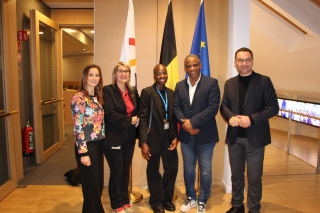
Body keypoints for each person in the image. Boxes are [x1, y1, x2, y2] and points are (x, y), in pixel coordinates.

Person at [220, 47, 279, 213]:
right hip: (234, 139)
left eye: (247, 60)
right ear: (235, 63)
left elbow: (274, 108)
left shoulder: (264, 81)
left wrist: (251, 119)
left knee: (254, 178)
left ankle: (254, 208)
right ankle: (237, 205)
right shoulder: (230, 83)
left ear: (252, 61)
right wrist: (230, 117)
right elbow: (223, 106)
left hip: (256, 139)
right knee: (236, 176)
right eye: (240, 60)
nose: (244, 64)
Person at [174, 54, 220, 213]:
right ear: (185, 68)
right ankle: (191, 198)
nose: (192, 68)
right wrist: (186, 125)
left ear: (200, 65)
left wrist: (192, 122)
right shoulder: (179, 86)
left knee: (206, 169)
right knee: (188, 168)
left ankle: (203, 199)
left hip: (206, 135)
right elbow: (176, 108)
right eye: (188, 65)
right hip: (186, 136)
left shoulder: (212, 83)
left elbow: (213, 107)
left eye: (195, 65)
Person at [139, 64, 178, 213]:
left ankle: (167, 199)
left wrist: (175, 137)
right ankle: (156, 201)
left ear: (167, 74)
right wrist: (143, 142)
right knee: (153, 170)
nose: (162, 76)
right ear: (154, 75)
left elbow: (173, 118)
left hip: (168, 138)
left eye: (164, 73)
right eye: (159, 73)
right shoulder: (147, 92)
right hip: (153, 139)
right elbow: (143, 118)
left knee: (172, 168)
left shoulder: (171, 92)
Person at [102, 62, 139, 213]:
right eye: (120, 71)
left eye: (126, 71)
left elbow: (138, 110)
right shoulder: (108, 90)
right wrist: (129, 120)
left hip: (129, 137)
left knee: (125, 170)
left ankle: (124, 200)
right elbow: (109, 114)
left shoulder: (132, 91)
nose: (123, 74)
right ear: (115, 73)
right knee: (117, 171)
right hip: (113, 137)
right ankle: (116, 204)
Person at [71, 64, 105, 213]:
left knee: (97, 185)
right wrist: (83, 153)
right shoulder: (79, 98)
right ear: (85, 77)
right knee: (91, 187)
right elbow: (78, 127)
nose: (94, 78)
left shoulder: (97, 97)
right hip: (86, 147)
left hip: (98, 145)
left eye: (97, 75)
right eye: (91, 75)